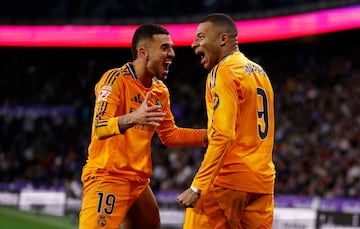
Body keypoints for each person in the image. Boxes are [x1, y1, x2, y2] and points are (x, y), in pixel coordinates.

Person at [79, 23, 207, 229]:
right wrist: (133, 118)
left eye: (172, 48)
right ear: (143, 52)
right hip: (108, 177)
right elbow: (100, 127)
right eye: (165, 48)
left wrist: (210, 135)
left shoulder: (160, 91)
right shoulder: (115, 79)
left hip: (138, 183)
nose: (172, 53)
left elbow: (170, 135)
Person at [177, 13, 276, 229]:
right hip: (262, 184)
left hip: (228, 183)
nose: (194, 44)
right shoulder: (261, 73)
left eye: (201, 37)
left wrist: (197, 187)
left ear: (223, 39)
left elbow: (223, 134)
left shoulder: (223, 72)